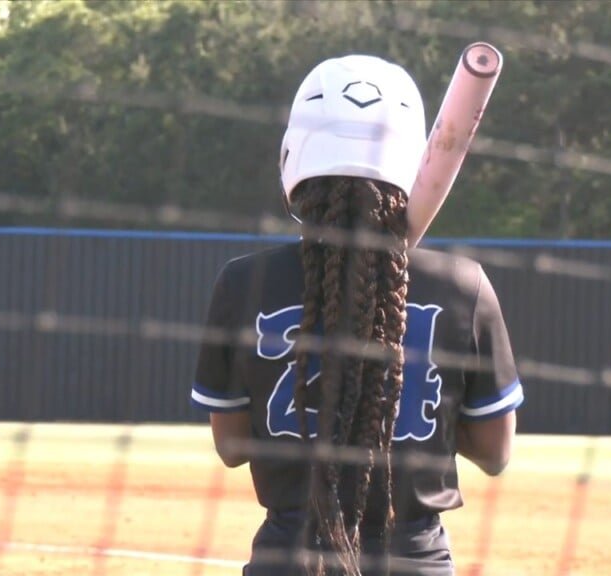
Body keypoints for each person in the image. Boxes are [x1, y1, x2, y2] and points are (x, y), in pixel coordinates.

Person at [190, 54, 522, 576]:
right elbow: (496, 453)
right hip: (413, 560)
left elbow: (231, 445)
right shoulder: (464, 287)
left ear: (292, 160)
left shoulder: (242, 282)